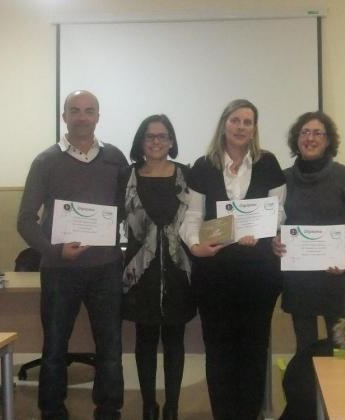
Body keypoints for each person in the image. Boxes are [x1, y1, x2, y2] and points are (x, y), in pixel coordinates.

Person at [17, 90, 128, 420]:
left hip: (106, 270)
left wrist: (117, 239)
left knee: (110, 348)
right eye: (75, 110)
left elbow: (125, 209)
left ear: (98, 117)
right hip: (59, 270)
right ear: (64, 116)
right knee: (54, 348)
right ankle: (52, 411)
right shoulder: (45, 161)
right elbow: (25, 220)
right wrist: (54, 249)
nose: (82, 117)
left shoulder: (115, 158)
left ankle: (108, 411)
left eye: (89, 111)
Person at [179, 99, 286, 420]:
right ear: (224, 124)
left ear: (254, 128)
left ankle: (249, 414)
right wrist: (195, 246)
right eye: (235, 120)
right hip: (215, 274)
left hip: (259, 275)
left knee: (254, 350)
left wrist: (264, 232)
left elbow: (278, 211)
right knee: (219, 351)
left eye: (247, 122)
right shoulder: (203, 166)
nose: (241, 127)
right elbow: (192, 217)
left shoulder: (268, 163)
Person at [272, 111, 345, 354]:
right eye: (305, 132)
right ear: (296, 139)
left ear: (328, 141)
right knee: (305, 349)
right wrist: (275, 241)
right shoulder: (283, 179)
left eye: (318, 133)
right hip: (299, 278)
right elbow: (274, 225)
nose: (310, 138)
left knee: (340, 350)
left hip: (335, 274)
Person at [122, 115, 195, 420]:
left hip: (179, 270)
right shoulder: (127, 176)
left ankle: (172, 407)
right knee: (145, 341)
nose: (156, 142)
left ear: (171, 141)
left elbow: (200, 217)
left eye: (162, 136)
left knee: (175, 341)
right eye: (149, 136)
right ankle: (149, 406)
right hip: (141, 273)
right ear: (141, 142)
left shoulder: (187, 175)